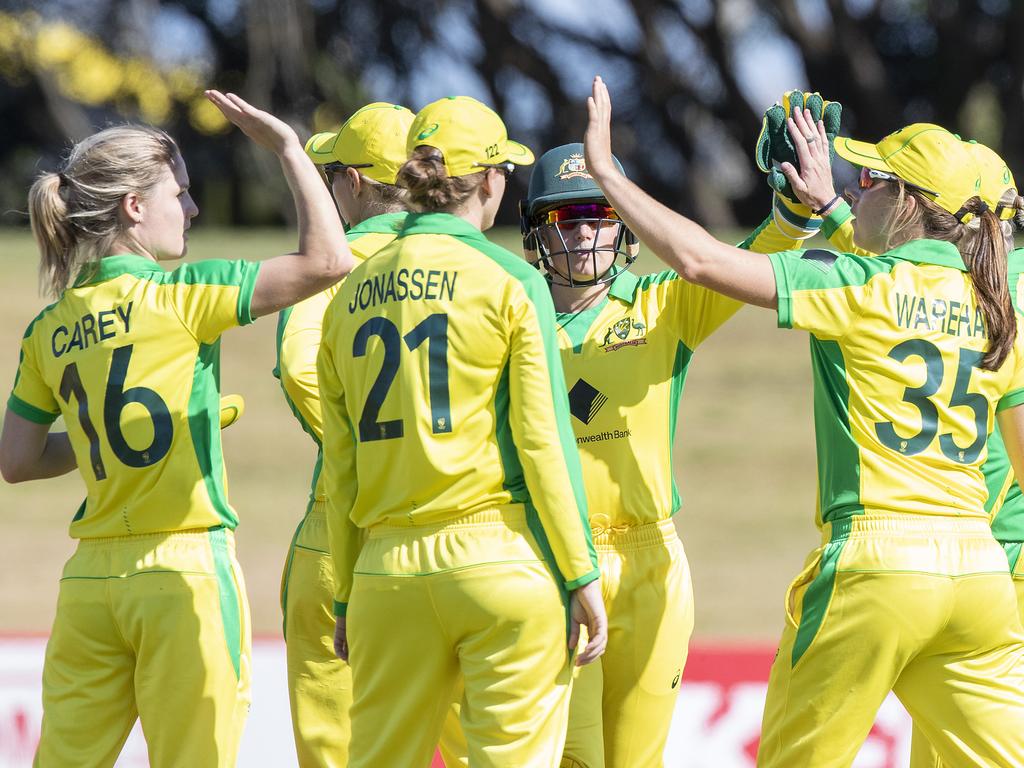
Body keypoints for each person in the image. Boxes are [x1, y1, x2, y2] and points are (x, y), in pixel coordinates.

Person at [583, 75, 1024, 766]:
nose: (856, 188)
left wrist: (607, 172)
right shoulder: (998, 309)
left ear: (905, 202)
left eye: (871, 180)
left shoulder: (858, 285)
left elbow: (699, 260)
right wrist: (824, 204)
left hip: (876, 566)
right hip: (979, 579)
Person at [0, 90, 353, 767]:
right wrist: (288, 149)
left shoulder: (48, 329)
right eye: (181, 194)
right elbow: (328, 262)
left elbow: (15, 462)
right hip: (184, 571)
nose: (191, 209)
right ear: (135, 207)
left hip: (90, 586)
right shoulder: (183, 294)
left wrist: (108, 428)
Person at [503, 143, 818, 768]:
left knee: (636, 758)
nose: (588, 230)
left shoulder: (661, 304)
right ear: (538, 231)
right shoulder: (508, 310)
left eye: (599, 212)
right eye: (569, 218)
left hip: (652, 562)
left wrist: (790, 212)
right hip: (554, 559)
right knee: (575, 759)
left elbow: (738, 264)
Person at [317, 95, 608, 768]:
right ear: (494, 181)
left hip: (384, 572)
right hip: (499, 561)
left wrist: (342, 594)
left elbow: (341, 466)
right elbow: (542, 443)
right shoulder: (510, 280)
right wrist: (580, 571)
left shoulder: (347, 295)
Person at [274, 101, 416, 766]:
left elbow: (298, 370)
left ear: (354, 184)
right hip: (456, 527)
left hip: (340, 530)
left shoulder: (324, 266)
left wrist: (360, 447)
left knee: (336, 752)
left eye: (332, 172)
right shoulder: (467, 261)